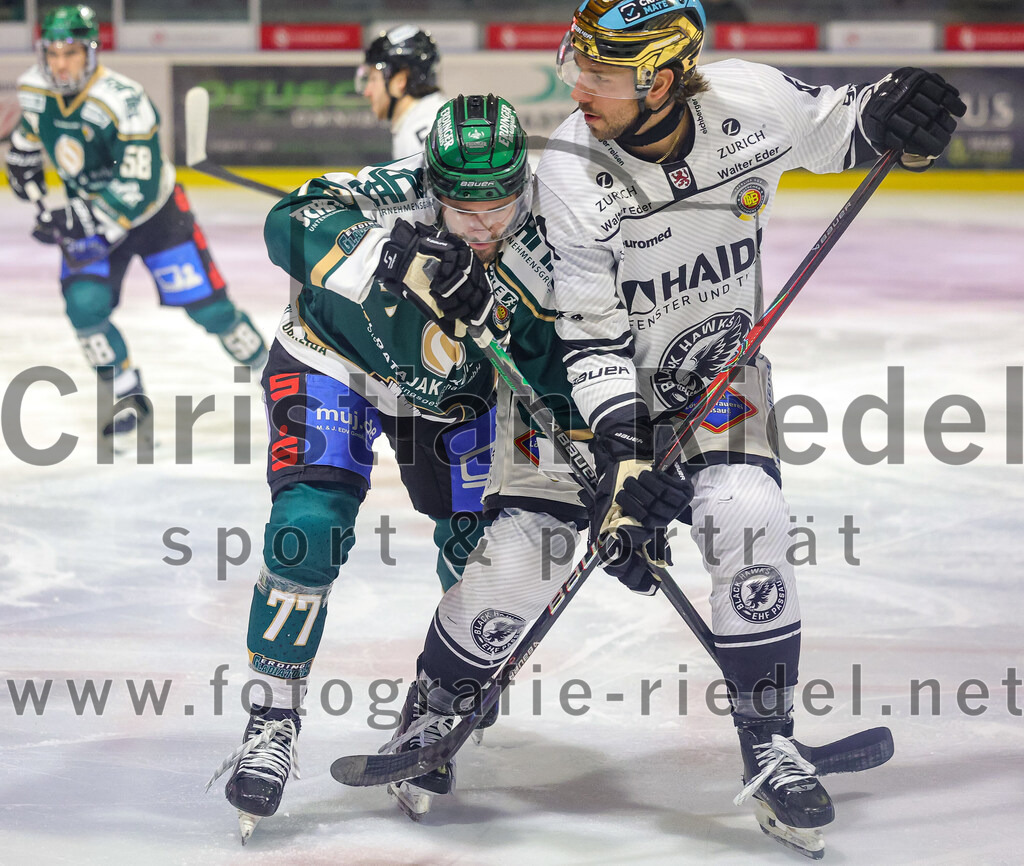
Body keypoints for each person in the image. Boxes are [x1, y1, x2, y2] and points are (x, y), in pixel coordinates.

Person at [520, 0, 964, 856]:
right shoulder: (572, 170)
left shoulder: (751, 100)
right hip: (605, 390)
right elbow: (591, 336)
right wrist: (624, 459)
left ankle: (770, 745)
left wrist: (903, 113)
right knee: (522, 551)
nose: (577, 88)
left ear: (662, 79)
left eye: (600, 74)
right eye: (577, 65)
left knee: (748, 513)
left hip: (723, 376)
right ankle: (445, 697)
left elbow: (849, 129)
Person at [207, 94, 589, 841]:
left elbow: (556, 372)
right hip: (334, 364)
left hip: (456, 399)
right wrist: (392, 255)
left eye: (500, 206)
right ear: (432, 186)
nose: (483, 226)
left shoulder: (554, 239)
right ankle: (273, 716)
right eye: (463, 208)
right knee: (308, 527)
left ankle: (441, 700)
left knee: (478, 548)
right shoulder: (398, 190)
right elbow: (289, 220)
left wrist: (600, 467)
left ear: (524, 184)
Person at [4, 4, 268, 446]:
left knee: (212, 311)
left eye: (70, 53)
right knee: (84, 307)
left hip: (156, 219)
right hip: (91, 219)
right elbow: (32, 130)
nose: (60, 64)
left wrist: (81, 217)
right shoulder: (34, 88)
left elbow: (140, 185)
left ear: (90, 52)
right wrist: (22, 155)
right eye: (53, 53)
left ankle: (277, 380)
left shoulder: (123, 99)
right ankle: (129, 399)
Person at [356, 25, 447, 159]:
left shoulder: (419, 132)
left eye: (373, 79)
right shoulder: (430, 119)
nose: (367, 92)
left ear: (400, 80)